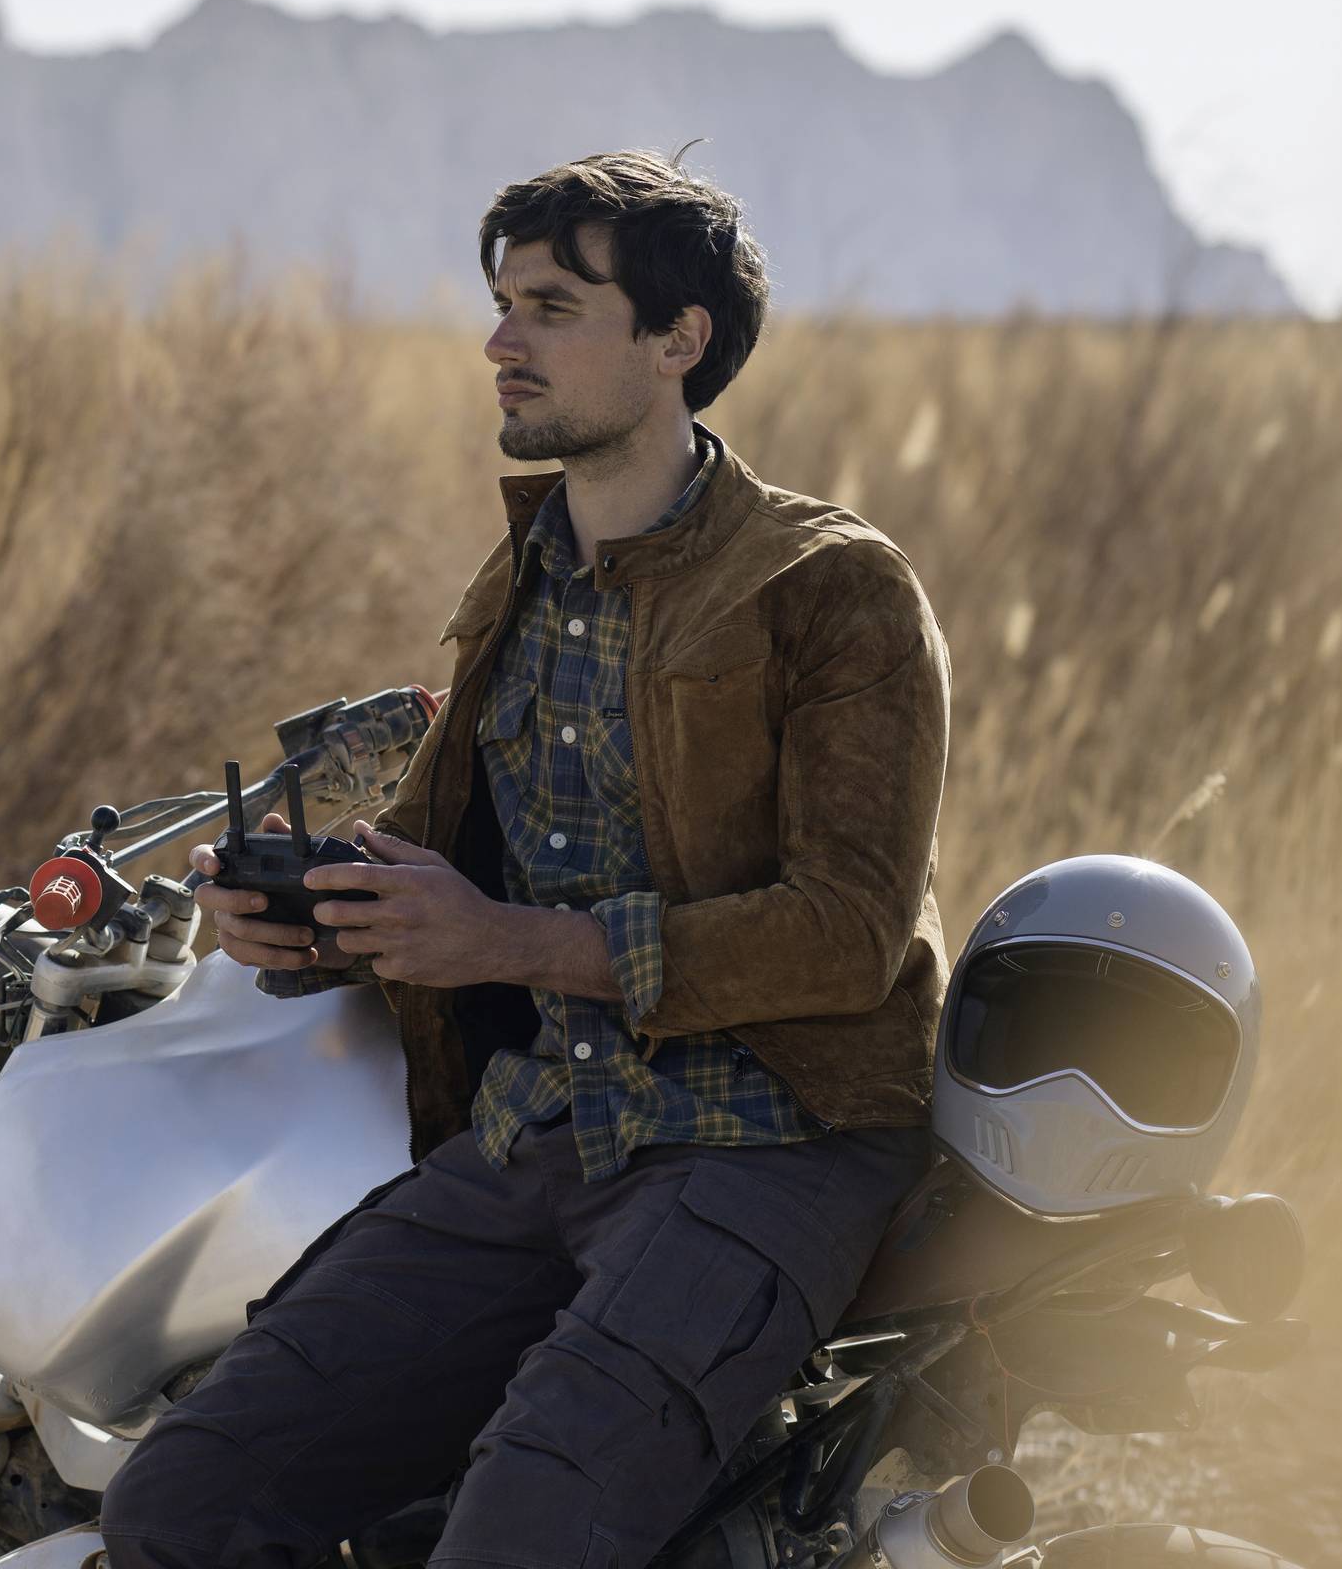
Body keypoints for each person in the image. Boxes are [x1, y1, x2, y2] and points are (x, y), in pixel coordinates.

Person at [98, 151, 953, 1569]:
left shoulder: (831, 585)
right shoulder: (523, 573)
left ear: (678, 340)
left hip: (761, 1145)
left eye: (553, 305)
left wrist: (508, 944)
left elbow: (846, 933)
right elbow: (458, 873)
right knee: (187, 1503)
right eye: (501, 302)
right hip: (534, 1135)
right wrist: (314, 920)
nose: (502, 341)